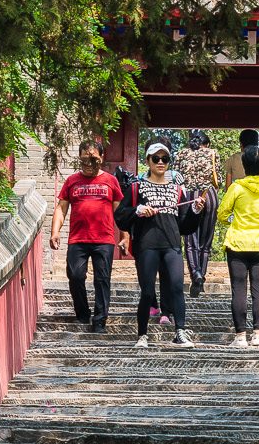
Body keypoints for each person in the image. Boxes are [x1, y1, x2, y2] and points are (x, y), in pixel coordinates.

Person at [117, 139, 203, 348]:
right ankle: (142, 335)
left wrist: (195, 212)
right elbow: (120, 215)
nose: (160, 162)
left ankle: (180, 331)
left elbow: (184, 226)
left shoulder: (177, 190)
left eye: (165, 159)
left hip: (172, 245)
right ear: (148, 160)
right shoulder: (137, 187)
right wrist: (137, 211)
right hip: (147, 245)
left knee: (176, 287)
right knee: (147, 291)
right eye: (156, 158)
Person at [50, 139, 123, 331]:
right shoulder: (72, 181)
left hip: (104, 240)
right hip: (78, 239)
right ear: (80, 158)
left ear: (101, 157)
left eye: (94, 159)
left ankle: (99, 320)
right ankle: (82, 314)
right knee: (75, 276)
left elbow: (120, 212)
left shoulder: (111, 181)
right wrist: (55, 232)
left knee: (102, 279)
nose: (89, 164)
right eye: (84, 159)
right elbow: (62, 208)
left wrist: (125, 235)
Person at [217, 146, 259, 347]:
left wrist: (233, 222)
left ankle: (240, 337)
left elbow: (221, 215)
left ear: (243, 166)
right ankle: (258, 336)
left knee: (239, 289)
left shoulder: (236, 187)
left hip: (238, 244)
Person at [176, 128, 222, 296]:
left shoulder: (181, 154)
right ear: (207, 143)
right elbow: (219, 180)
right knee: (206, 240)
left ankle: (194, 272)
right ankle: (201, 275)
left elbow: (176, 178)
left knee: (190, 239)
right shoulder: (212, 152)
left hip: (189, 196)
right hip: (208, 195)